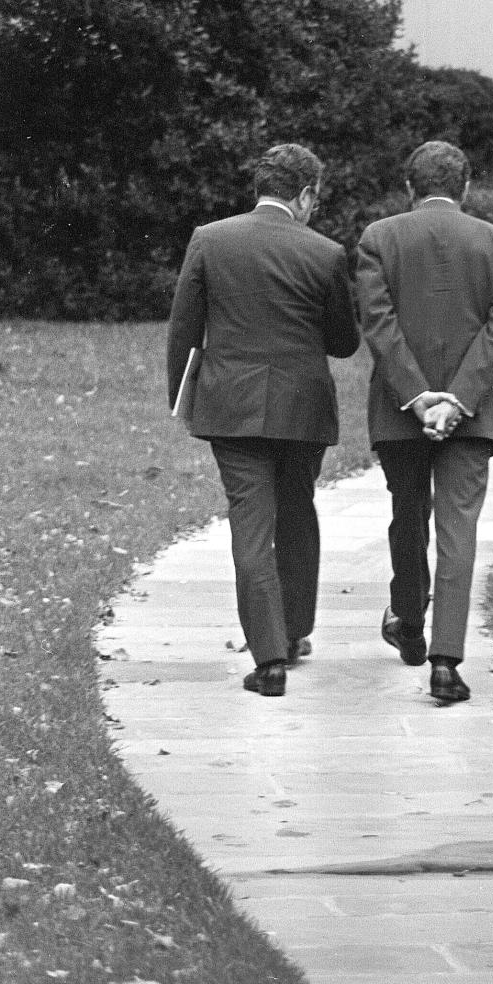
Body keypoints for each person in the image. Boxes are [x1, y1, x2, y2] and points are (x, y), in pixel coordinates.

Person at [166, 143, 360, 697]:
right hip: (303, 407)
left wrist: (182, 400)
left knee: (250, 524)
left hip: (230, 405)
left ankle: (269, 658)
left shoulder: (209, 239)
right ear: (303, 195)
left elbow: (184, 327)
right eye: (314, 199)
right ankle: (295, 632)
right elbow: (345, 343)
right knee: (297, 510)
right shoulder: (326, 254)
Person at [356, 140, 493, 703]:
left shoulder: (379, 238)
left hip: (400, 412)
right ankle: (446, 662)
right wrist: (458, 399)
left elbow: (378, 326)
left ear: (409, 187)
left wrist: (419, 398)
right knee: (459, 532)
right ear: (468, 187)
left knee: (407, 518)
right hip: (471, 416)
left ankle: (408, 619)